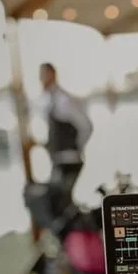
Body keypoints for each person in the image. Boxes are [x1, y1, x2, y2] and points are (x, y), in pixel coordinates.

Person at [37, 62, 93, 194]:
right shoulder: (50, 100)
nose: (40, 80)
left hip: (69, 160)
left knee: (59, 199)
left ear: (51, 75)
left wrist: (76, 147)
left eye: (42, 75)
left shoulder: (63, 101)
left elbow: (86, 126)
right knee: (58, 199)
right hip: (60, 159)